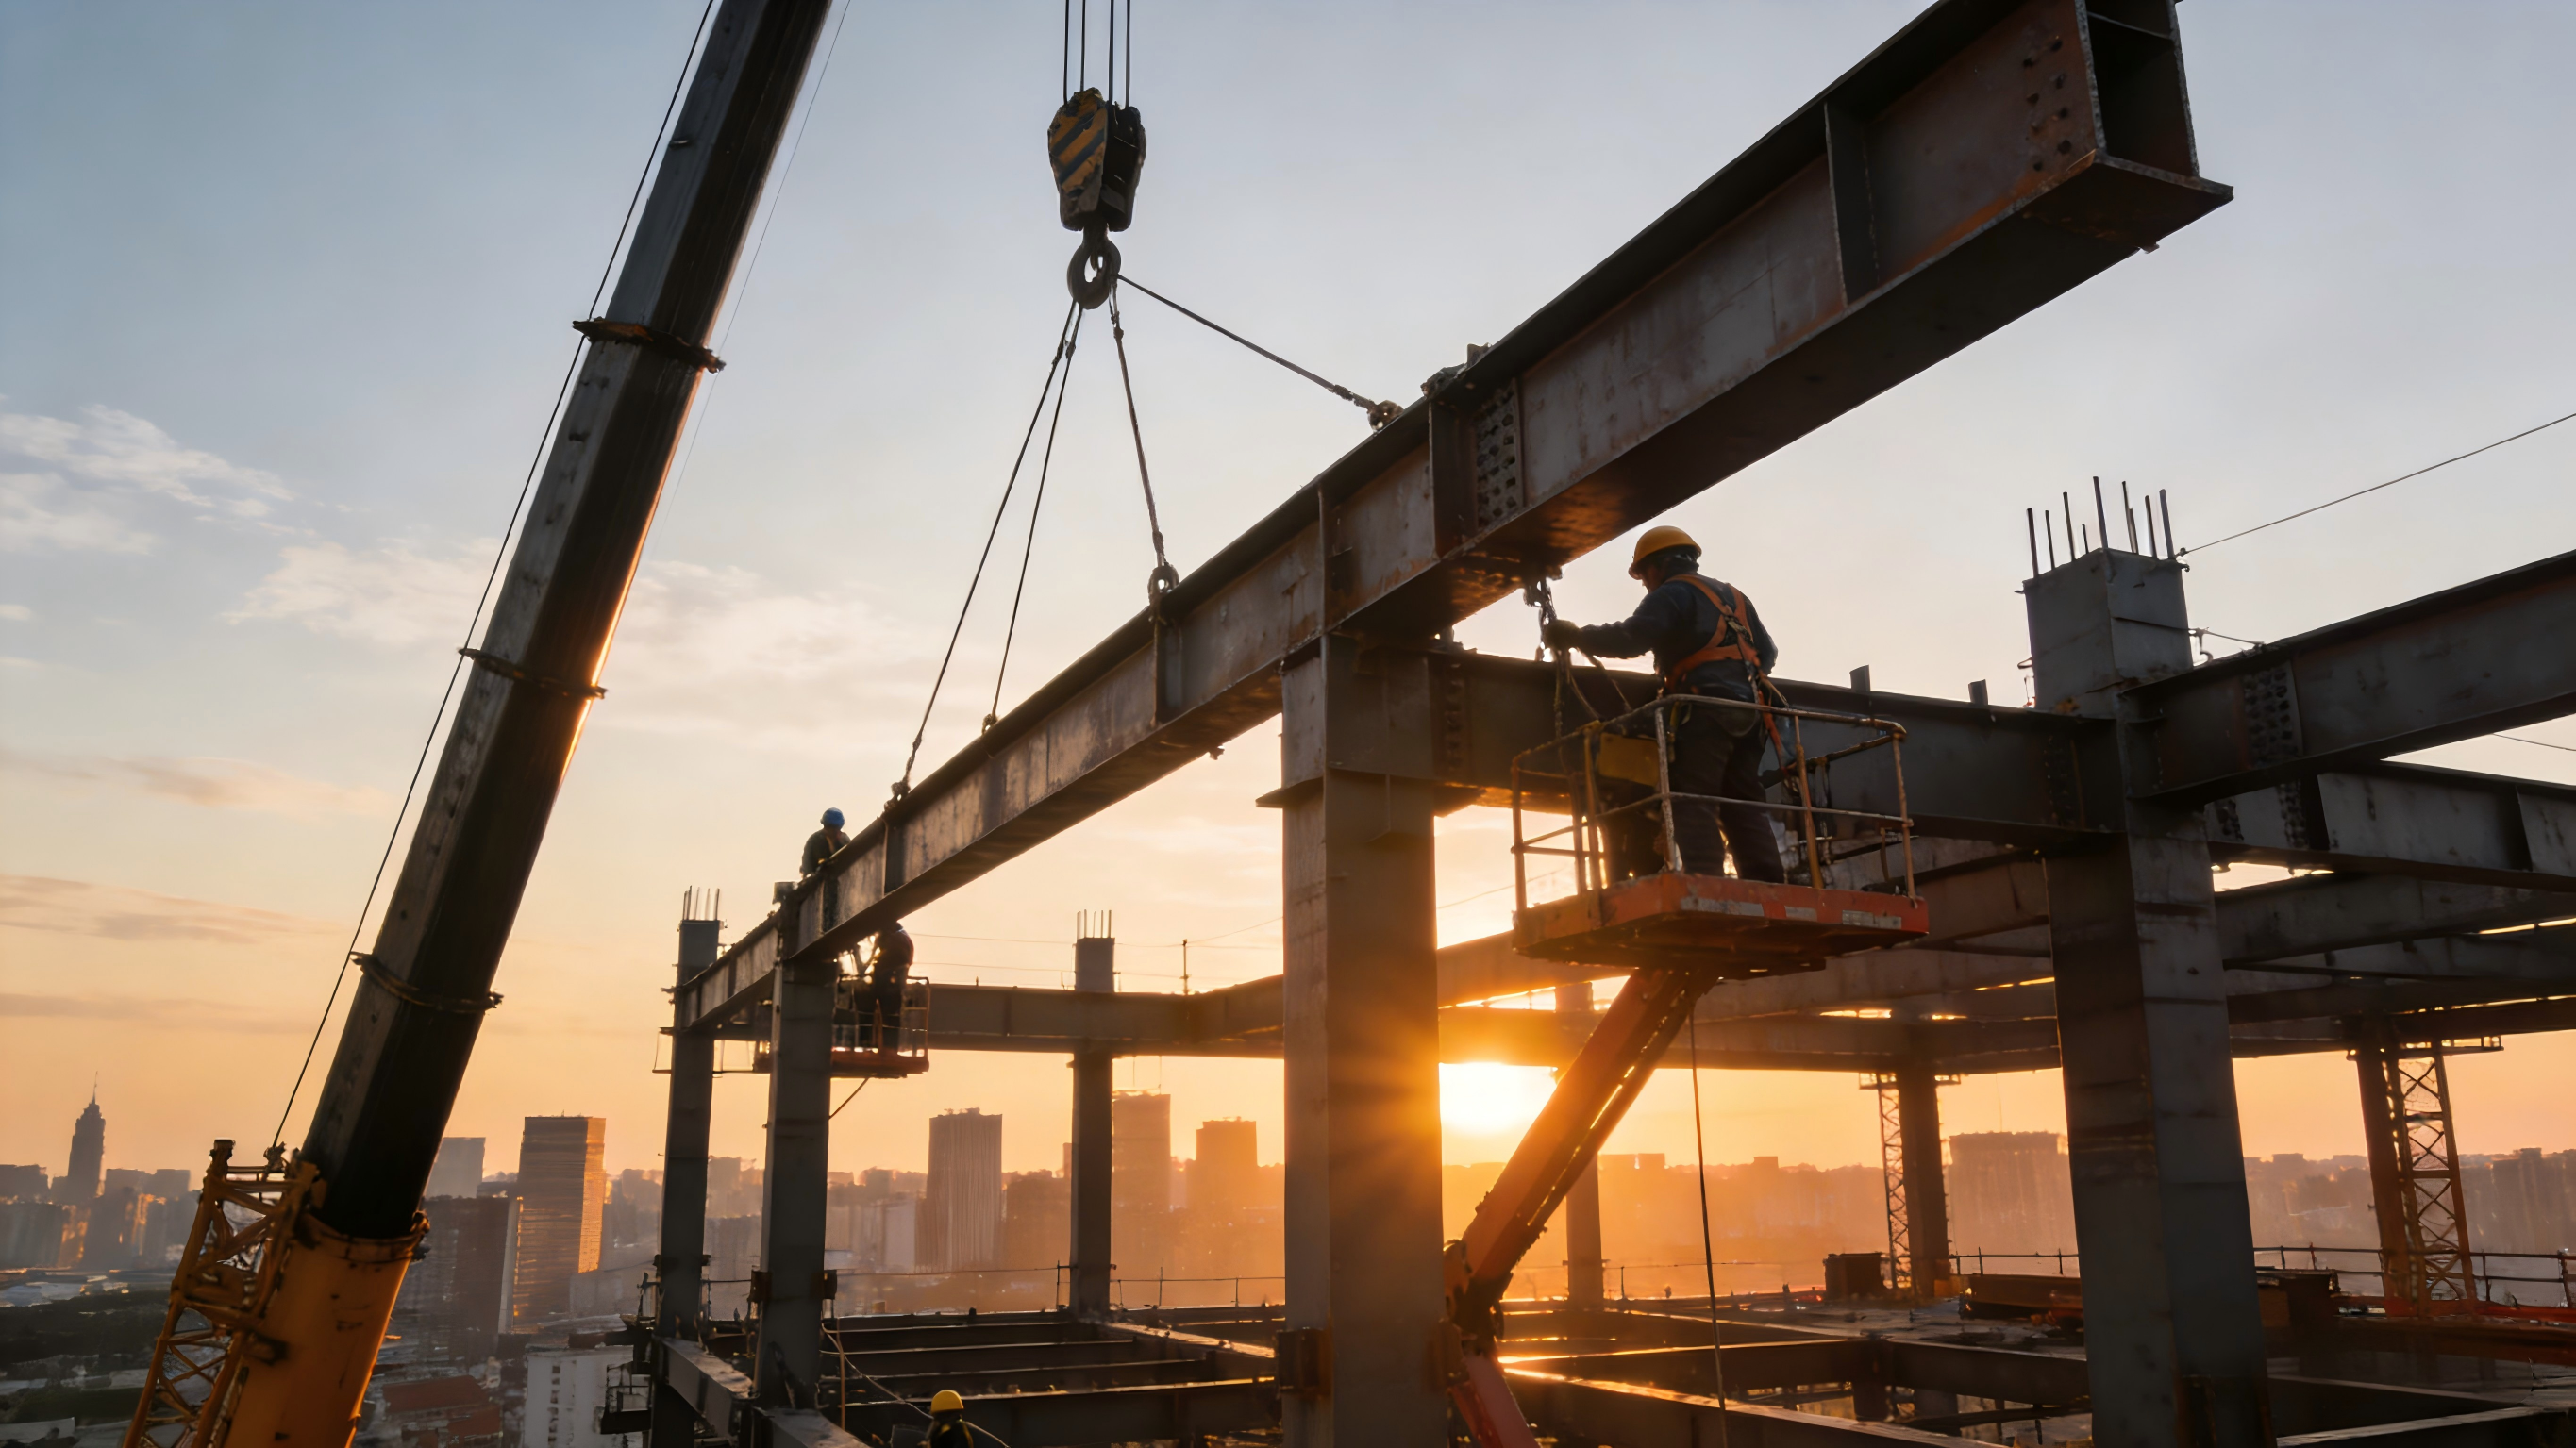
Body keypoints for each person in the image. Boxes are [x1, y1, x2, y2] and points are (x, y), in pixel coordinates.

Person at [1542, 525, 1785, 882]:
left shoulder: (1672, 594)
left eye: (1643, 576)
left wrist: (1576, 636)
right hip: (1751, 717)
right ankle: (1767, 882)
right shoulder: (1735, 597)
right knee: (1742, 800)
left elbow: (1630, 639)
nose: (1645, 584)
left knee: (1691, 797)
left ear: (1655, 566)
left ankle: (1706, 880)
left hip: (1703, 711)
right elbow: (1768, 653)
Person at [861, 922, 916, 1049]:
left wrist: (865, 969)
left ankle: (869, 1036)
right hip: (897, 979)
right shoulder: (902, 937)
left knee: (874, 1002)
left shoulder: (891, 938)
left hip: (890, 980)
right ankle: (890, 1043)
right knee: (892, 1014)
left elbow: (875, 956)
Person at [801, 808, 847, 876]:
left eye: (837, 828)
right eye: (832, 828)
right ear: (825, 826)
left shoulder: (844, 840)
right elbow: (807, 867)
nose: (835, 832)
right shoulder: (814, 841)